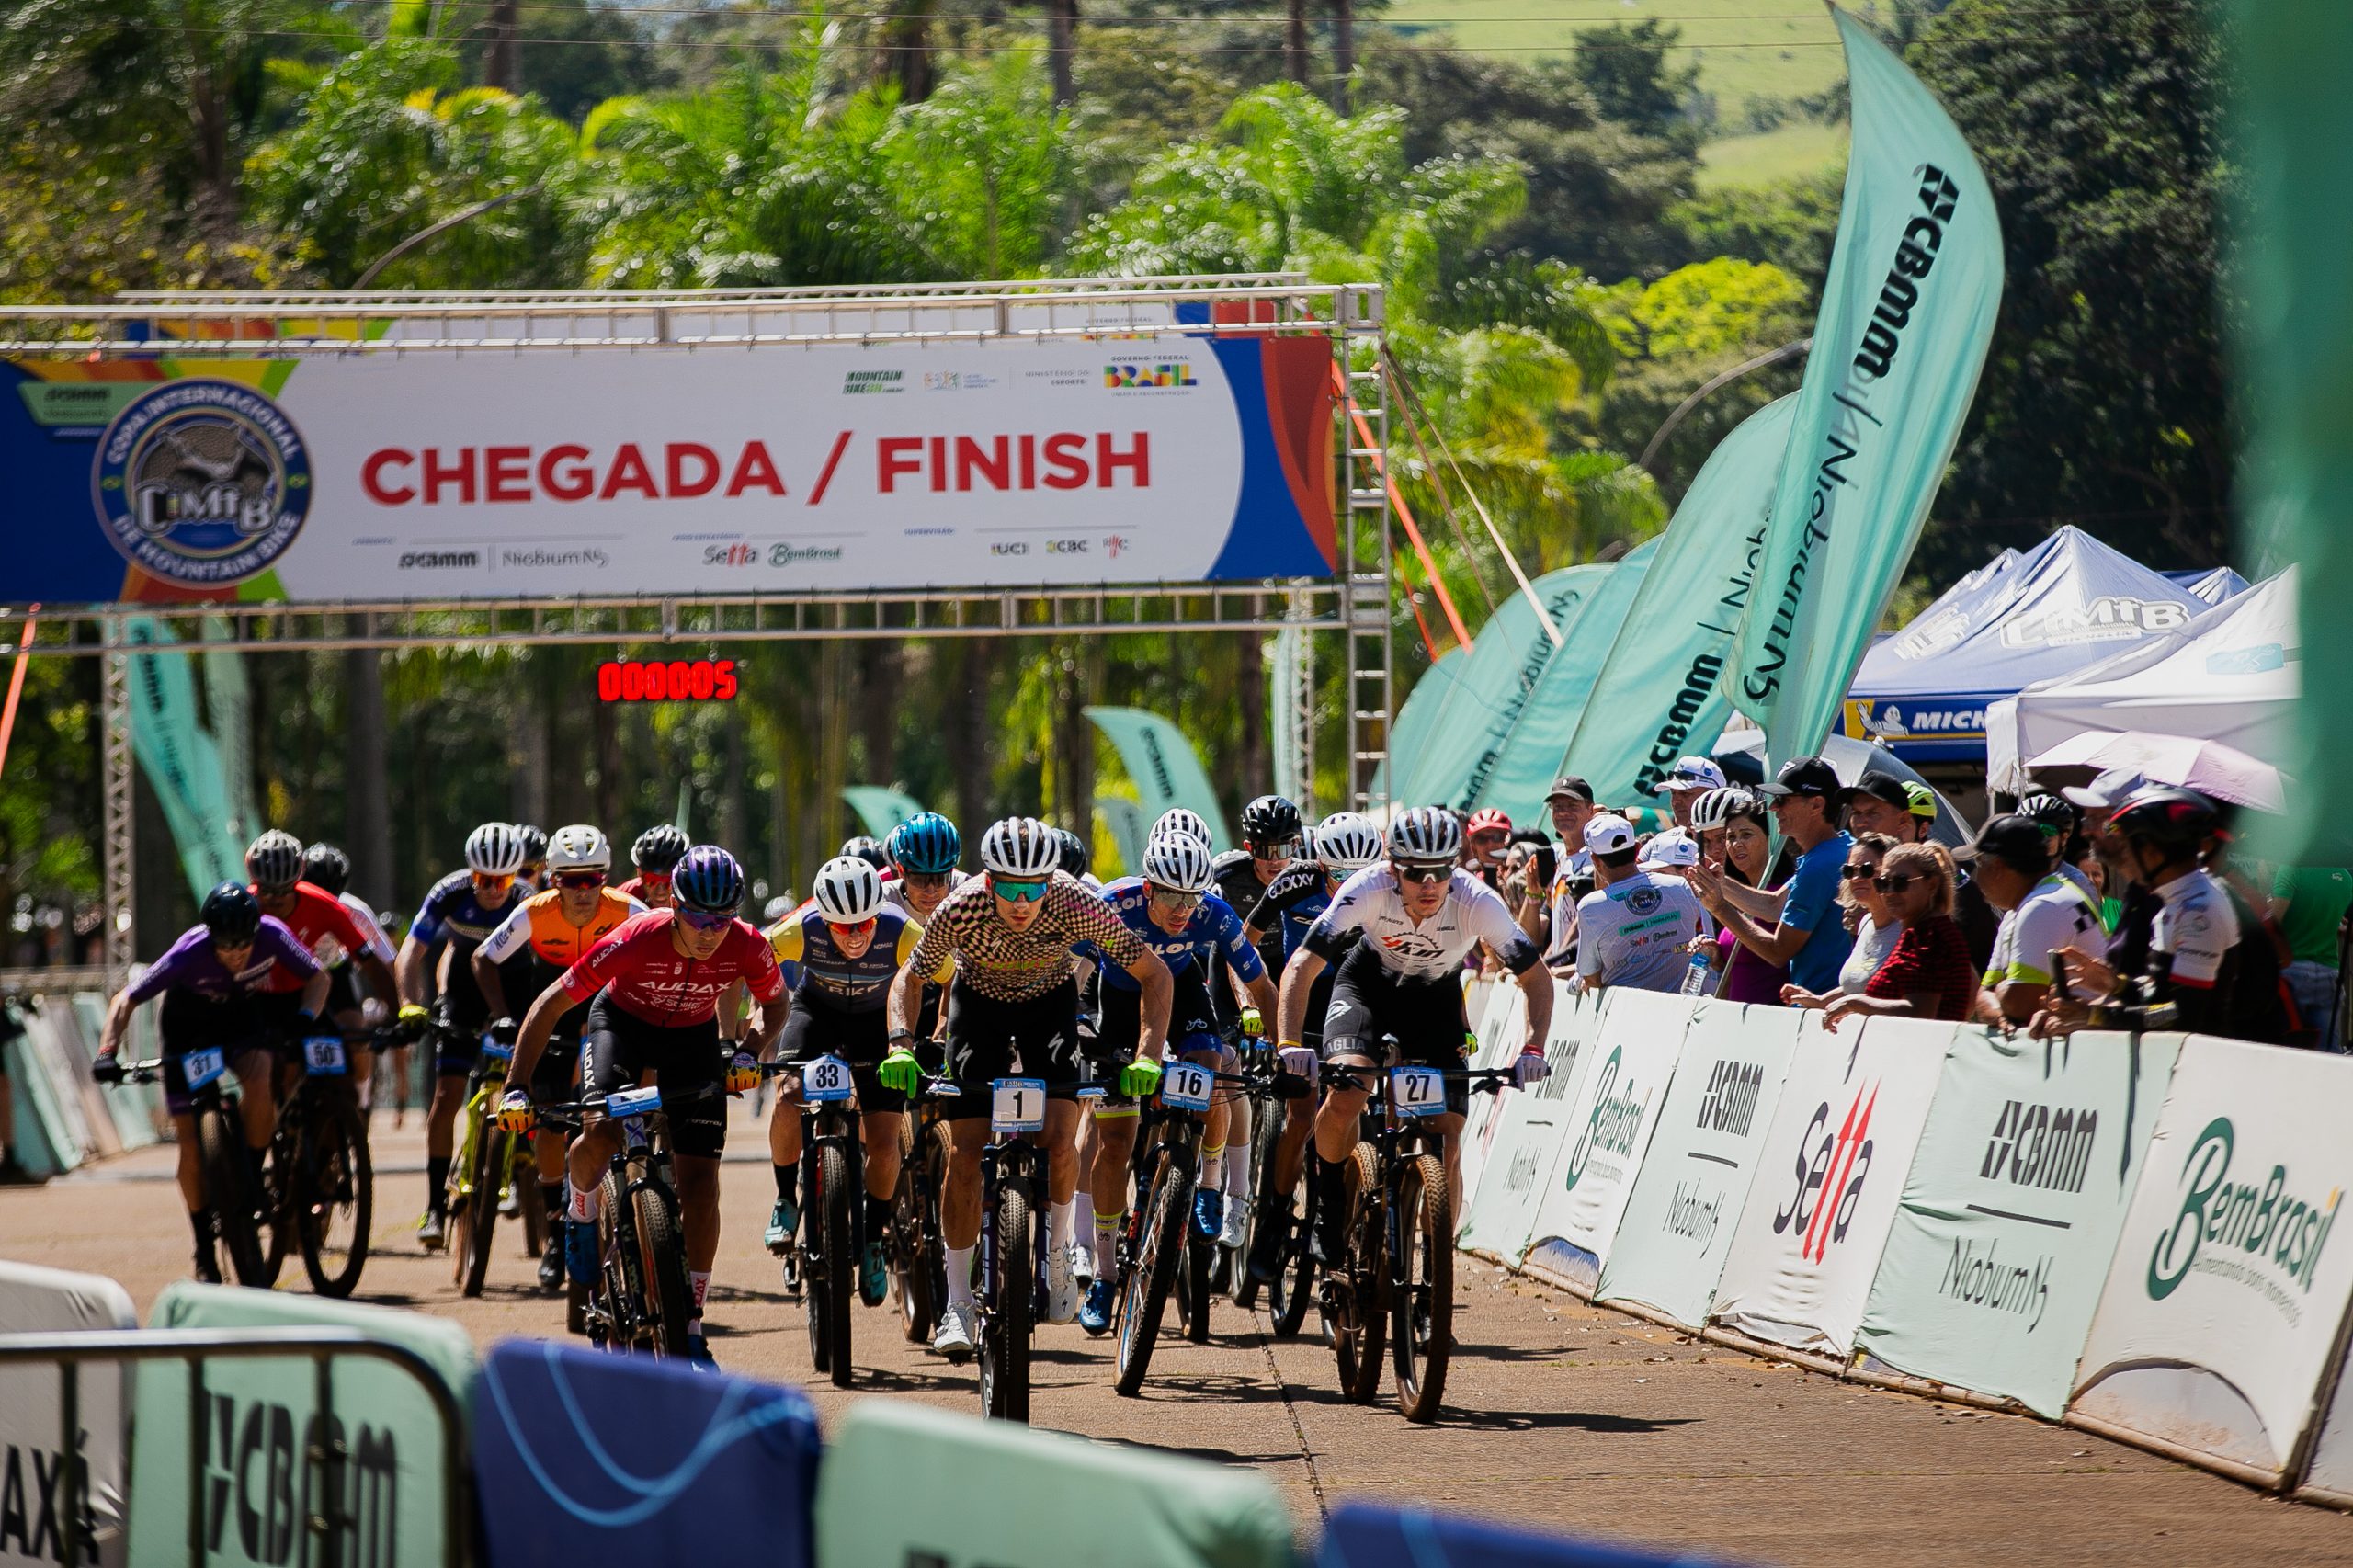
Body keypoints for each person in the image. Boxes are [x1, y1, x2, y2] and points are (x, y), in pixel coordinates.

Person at [882, 816, 1173, 1359]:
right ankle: (958, 1304)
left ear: (1051, 882)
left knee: (1061, 1142)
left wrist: (1148, 1058)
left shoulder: (1075, 902)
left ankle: (1059, 1254)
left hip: (1049, 1006)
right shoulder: (960, 906)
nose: (1022, 900)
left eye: (1034, 887)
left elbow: (1155, 974)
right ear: (988, 882)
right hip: (979, 1007)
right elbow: (911, 977)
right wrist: (900, 1043)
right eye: (1010, 889)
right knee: (966, 1150)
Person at [502, 846, 789, 1367]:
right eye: (699, 917)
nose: (710, 931)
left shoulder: (747, 945)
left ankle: (693, 1321)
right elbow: (549, 1005)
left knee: (701, 1186)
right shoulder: (636, 938)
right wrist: (516, 1086)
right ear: (675, 907)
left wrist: (749, 1051)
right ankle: (581, 1213)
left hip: (692, 1041)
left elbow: (776, 1004)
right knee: (602, 1134)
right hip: (622, 1029)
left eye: (723, 917)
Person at [1276, 807, 1553, 1266]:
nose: (1429, 885)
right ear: (1391, 869)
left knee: (1448, 1131)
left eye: (1440, 871)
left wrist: (1533, 1045)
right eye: (1414, 873)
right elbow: (1303, 967)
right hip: (1368, 987)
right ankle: (1329, 1203)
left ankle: (1437, 1258)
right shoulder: (1365, 890)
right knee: (1347, 1093)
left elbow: (1536, 978)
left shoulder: (1477, 901)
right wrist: (1288, 1043)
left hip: (1435, 998)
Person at [1073, 833, 1279, 1334]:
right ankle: (1102, 1274)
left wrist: (1285, 1048)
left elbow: (1261, 985)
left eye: (1191, 897)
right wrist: (1073, 1029)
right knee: (1116, 1142)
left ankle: (1209, 1186)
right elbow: (1069, 969)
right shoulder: (1112, 904)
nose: (1182, 910)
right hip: (1117, 1003)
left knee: (1209, 1068)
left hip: (1182, 994)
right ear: (1147, 889)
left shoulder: (1213, 912)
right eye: (1170, 897)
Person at [94, 883, 329, 1280]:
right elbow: (125, 999)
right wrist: (107, 1051)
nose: (236, 954)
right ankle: (204, 1246)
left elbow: (319, 977)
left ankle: (253, 1177)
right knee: (188, 1140)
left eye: (244, 946)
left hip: (239, 1020)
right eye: (226, 947)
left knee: (260, 1079)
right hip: (187, 1028)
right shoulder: (189, 950)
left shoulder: (272, 934)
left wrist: (305, 1018)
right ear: (211, 939)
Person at [764, 855, 946, 1307]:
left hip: (875, 1021)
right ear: (822, 917)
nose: (858, 934)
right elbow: (753, 964)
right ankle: (787, 1199)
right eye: (843, 928)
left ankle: (873, 1240)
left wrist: (940, 1035)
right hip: (816, 1012)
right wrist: (751, 1032)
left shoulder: (902, 930)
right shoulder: (799, 927)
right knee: (788, 1096)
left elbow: (952, 978)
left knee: (884, 1142)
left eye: (865, 923)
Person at [471, 824, 644, 1291]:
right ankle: (554, 1232)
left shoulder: (630, 911)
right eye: (572, 880)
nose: (584, 891)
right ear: (553, 880)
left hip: (609, 1008)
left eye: (593, 879)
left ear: (606, 878)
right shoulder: (532, 913)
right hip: (554, 1011)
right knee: (547, 1122)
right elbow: (483, 960)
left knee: (629, 1107)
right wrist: (503, 1016)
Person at [1241, 811, 1381, 1285]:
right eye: (1340, 875)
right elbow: (1246, 942)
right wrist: (1252, 1004)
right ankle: (1274, 1220)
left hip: (1358, 997)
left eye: (1359, 874)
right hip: (1304, 996)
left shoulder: (1386, 885)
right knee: (1300, 1117)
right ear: (1320, 865)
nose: (1349, 884)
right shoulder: (1294, 880)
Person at [395, 821, 531, 1249]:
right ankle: (435, 1205)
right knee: (446, 1098)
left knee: (524, 1083)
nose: (492, 889)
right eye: (483, 880)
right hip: (461, 993)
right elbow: (409, 954)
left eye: (502, 880)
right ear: (470, 872)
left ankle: (513, 1162)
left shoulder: (529, 900)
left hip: (513, 991)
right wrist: (408, 1004)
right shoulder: (448, 892)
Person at [2049, 788, 2275, 1040]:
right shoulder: (2177, 900)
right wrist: (2116, 984)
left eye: (2126, 847)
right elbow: (2160, 994)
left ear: (2151, 851)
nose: (2123, 858)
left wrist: (2093, 1016)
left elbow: (2180, 1015)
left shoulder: (2200, 908)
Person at [1206, 793, 1302, 1244]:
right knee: (1226, 1063)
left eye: (1286, 849)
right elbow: (1228, 951)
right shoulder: (1226, 877)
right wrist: (1244, 1007)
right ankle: (1229, 1188)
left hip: (1285, 967)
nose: (1276, 861)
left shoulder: (1308, 873)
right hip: (1233, 965)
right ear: (1249, 848)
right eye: (1265, 851)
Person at [243, 830, 400, 1106]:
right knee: (279, 1063)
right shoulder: (244, 906)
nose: (277, 900)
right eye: (268, 891)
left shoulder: (335, 907)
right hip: (270, 985)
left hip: (328, 975)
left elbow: (377, 965)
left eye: (285, 891)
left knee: (354, 1035)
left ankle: (359, 1102)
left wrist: (399, 1013)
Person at [1691, 757, 1855, 1002]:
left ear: (1816, 804)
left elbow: (1778, 952)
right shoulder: (1836, 847)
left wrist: (1720, 908)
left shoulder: (1819, 866)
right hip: (1824, 1006)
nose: (1773, 808)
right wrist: (1722, 883)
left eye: (1783, 800)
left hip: (1820, 1010)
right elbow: (1773, 906)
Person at [1968, 814, 2103, 1028]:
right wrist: (2002, 1013)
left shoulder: (2042, 906)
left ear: (1997, 866)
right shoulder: (2020, 910)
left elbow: (2021, 1005)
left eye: (1978, 862)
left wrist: (2003, 992)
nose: (1976, 875)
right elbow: (1984, 996)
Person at [1574, 814, 1711, 995]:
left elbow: (1591, 978)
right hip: (1684, 1009)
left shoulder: (1590, 907)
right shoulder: (1680, 886)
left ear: (1595, 860)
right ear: (1638, 849)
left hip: (1625, 1014)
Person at [1782, 833, 1900, 1009]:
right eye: (1849, 871)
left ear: (1889, 872)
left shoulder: (1907, 927)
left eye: (1867, 870)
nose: (1856, 878)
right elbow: (1854, 988)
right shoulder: (1866, 923)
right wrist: (1819, 1001)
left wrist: (1849, 1004)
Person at [1519, 777, 1598, 977]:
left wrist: (1551, 966)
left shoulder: (1598, 858)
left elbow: (1583, 925)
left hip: (1587, 973)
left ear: (1591, 810)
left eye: (1572, 805)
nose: (1563, 812)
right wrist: (1533, 894)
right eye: (1557, 806)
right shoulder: (1558, 858)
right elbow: (1552, 933)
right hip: (1561, 972)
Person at [2269, 862, 2353, 1049]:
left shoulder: (2291, 870)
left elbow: (2274, 923)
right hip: (2330, 973)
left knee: (2284, 1047)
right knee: (2329, 1050)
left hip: (2291, 972)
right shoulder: (2346, 878)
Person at [1651, 756, 1730, 830]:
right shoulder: (1664, 842)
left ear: (1714, 798)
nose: (1674, 802)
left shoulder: (1734, 840)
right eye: (1673, 793)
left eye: (1685, 794)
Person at [620, 824, 689, 908]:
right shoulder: (625, 896)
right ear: (639, 873)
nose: (660, 891)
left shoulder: (695, 898)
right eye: (651, 880)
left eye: (669, 881)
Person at [513, 824, 550, 895]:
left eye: (525, 872)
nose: (517, 879)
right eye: (511, 873)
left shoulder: (555, 888)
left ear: (542, 866)